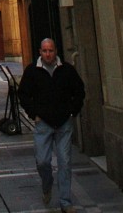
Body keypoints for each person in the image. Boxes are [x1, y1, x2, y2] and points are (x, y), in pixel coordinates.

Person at [17, 38, 85, 213]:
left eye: (51, 51)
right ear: (40, 51)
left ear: (56, 51)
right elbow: (23, 94)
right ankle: (47, 186)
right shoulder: (32, 71)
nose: (48, 54)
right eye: (45, 51)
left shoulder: (67, 70)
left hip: (63, 124)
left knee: (65, 162)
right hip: (43, 124)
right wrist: (34, 114)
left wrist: (72, 111)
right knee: (42, 161)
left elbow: (79, 91)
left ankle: (65, 202)